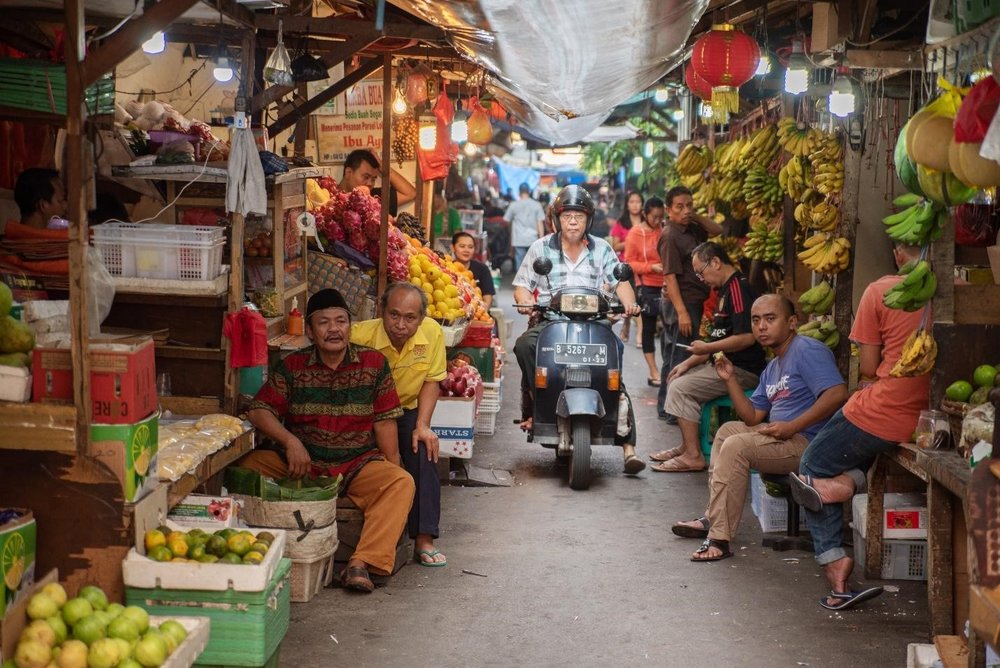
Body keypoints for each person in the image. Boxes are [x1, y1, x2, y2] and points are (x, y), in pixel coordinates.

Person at [238, 288, 415, 593]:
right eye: (323, 323)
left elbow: (385, 420)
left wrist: (392, 465)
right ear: (309, 330)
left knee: (401, 482)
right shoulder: (293, 366)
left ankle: (360, 564)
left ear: (351, 326)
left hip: (357, 464)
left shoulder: (374, 364)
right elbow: (260, 411)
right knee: (246, 468)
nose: (334, 329)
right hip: (302, 466)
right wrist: (290, 441)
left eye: (341, 321)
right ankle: (257, 552)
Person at [789, 243, 930, 611]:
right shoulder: (952, 293)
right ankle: (845, 484)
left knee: (812, 466)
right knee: (849, 461)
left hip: (886, 410)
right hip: (930, 419)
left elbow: (868, 367)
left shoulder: (879, 291)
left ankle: (836, 568)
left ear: (898, 252)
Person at [670, 294, 847, 561]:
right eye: (755, 320)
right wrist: (729, 379)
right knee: (729, 431)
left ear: (791, 322)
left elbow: (837, 394)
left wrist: (791, 427)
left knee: (736, 445)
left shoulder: (807, 350)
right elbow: (752, 416)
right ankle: (713, 517)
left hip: (810, 445)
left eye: (770, 319)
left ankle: (719, 539)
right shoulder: (772, 367)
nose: (761, 326)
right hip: (784, 437)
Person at [512, 184, 645, 475]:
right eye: (567, 216)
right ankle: (538, 404)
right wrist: (525, 302)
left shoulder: (602, 249)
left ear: (589, 220)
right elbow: (523, 284)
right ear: (557, 219)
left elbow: (621, 282)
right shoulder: (541, 248)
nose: (573, 222)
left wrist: (629, 305)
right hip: (552, 320)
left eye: (579, 216)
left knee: (615, 356)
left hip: (595, 320)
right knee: (525, 345)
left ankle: (627, 444)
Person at [351, 283, 449, 567]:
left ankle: (424, 538)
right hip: (364, 414)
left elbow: (432, 381)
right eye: (394, 315)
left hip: (405, 411)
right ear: (381, 310)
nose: (401, 325)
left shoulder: (432, 333)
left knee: (425, 450)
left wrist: (423, 425)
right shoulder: (360, 336)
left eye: (410, 318)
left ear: (421, 318)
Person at [651, 242, 766, 472]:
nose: (700, 278)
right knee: (678, 377)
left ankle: (693, 456)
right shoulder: (724, 290)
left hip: (742, 371)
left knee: (681, 388)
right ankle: (687, 446)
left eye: (700, 272)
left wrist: (705, 350)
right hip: (725, 365)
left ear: (715, 262)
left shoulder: (737, 289)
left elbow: (747, 337)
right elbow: (716, 342)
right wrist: (689, 361)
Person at [656, 186, 724, 422]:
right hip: (682, 302)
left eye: (689, 205)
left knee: (680, 351)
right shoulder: (670, 236)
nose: (685, 210)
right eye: (680, 207)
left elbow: (717, 229)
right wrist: (682, 312)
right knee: (679, 355)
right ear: (668, 209)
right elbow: (670, 276)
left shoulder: (691, 227)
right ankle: (670, 409)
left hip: (695, 300)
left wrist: (693, 215)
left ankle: (669, 407)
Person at [623, 195, 664, 386]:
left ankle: (666, 369)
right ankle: (654, 371)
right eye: (654, 217)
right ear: (645, 214)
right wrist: (650, 268)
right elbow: (629, 262)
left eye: (660, 217)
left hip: (667, 285)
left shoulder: (664, 230)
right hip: (647, 285)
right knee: (648, 329)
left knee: (667, 330)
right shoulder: (635, 233)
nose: (657, 221)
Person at [340, 149, 416, 215]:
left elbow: (410, 194)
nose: (370, 184)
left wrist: (382, 167)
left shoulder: (375, 199)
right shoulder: (329, 196)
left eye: (373, 179)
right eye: (366, 177)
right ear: (349, 173)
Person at [610, 190, 642, 345]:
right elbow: (615, 245)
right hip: (626, 267)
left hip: (644, 266)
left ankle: (640, 335)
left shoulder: (646, 221)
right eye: (632, 202)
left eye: (638, 201)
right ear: (627, 205)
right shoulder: (621, 223)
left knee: (641, 299)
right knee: (630, 299)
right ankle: (627, 324)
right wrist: (631, 240)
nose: (635, 205)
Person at [504, 183, 546, 272]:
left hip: (519, 239)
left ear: (519, 192)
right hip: (533, 239)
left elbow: (507, 221)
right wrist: (541, 240)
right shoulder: (536, 205)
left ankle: (521, 284)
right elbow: (540, 223)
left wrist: (510, 236)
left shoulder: (514, 205)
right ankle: (532, 284)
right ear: (529, 191)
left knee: (520, 265)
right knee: (533, 264)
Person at [451, 231, 495, 310]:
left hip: (477, 313)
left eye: (470, 247)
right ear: (453, 247)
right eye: (462, 246)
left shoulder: (482, 269)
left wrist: (483, 312)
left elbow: (488, 296)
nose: (466, 250)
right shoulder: (448, 267)